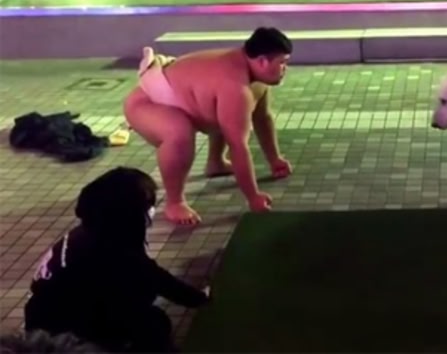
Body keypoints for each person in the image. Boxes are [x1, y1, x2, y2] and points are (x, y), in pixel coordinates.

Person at [23, 167, 210, 353]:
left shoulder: (91, 232)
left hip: (46, 324)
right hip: (61, 339)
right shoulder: (111, 250)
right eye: (148, 205)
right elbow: (155, 280)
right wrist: (200, 299)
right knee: (151, 325)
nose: (152, 210)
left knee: (149, 316)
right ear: (129, 212)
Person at [123, 27, 294, 226]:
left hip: (178, 97)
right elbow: (238, 146)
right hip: (147, 104)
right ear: (262, 61)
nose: (285, 69)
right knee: (179, 133)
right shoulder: (236, 87)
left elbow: (262, 118)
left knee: (227, 114)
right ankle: (174, 202)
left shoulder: (254, 77)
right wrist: (253, 197)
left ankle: (216, 162)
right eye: (282, 63)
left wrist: (275, 159)